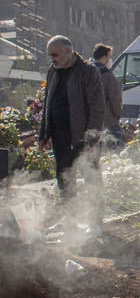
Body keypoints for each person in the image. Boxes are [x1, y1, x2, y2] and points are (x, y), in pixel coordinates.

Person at [38, 35, 106, 199]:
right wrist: (43, 135)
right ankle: (69, 219)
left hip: (81, 138)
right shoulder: (53, 71)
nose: (52, 59)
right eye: (50, 55)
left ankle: (95, 221)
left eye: (55, 55)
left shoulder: (87, 72)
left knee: (91, 180)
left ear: (68, 51)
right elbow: (48, 103)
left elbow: (97, 108)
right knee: (64, 179)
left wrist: (91, 139)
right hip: (59, 137)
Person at [90, 43, 125, 145]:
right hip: (107, 118)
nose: (109, 60)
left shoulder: (86, 73)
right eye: (109, 57)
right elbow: (115, 98)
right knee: (114, 147)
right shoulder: (107, 74)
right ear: (104, 57)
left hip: (90, 121)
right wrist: (117, 115)